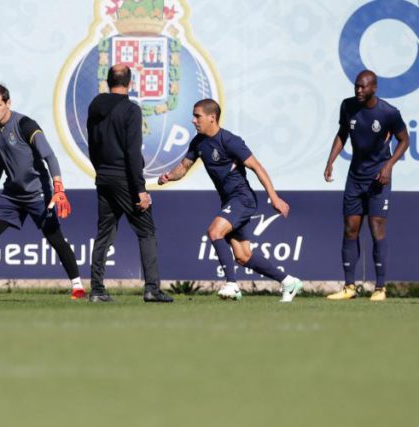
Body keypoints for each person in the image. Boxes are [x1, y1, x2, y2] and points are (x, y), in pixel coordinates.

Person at [158, 98, 303, 302]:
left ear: (212, 118)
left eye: (197, 116)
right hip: (229, 201)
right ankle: (288, 281)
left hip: (242, 198)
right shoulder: (198, 142)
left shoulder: (230, 141)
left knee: (214, 231)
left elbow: (257, 167)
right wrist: (168, 176)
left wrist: (274, 198)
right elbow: (182, 168)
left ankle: (232, 285)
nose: (193, 120)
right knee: (243, 256)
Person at [0, 84, 86, 300]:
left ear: (8, 103)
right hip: (11, 195)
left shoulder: (26, 124)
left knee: (55, 238)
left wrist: (58, 188)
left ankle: (78, 287)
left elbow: (50, 156)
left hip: (38, 194)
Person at [86, 64, 173, 303]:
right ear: (131, 83)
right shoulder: (130, 110)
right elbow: (132, 153)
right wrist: (140, 189)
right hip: (124, 178)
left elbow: (92, 145)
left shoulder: (95, 106)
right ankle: (152, 289)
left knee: (104, 234)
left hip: (103, 176)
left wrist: (100, 170)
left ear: (107, 80)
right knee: (146, 231)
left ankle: (96, 289)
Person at [324, 70, 409, 301]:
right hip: (355, 178)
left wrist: (389, 165)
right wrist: (331, 160)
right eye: (356, 86)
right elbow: (342, 133)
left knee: (376, 230)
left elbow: (405, 140)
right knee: (350, 229)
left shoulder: (388, 113)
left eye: (363, 87)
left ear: (374, 87)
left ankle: (380, 288)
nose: (358, 90)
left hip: (378, 179)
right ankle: (349, 287)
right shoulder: (348, 106)